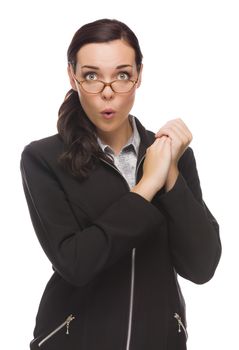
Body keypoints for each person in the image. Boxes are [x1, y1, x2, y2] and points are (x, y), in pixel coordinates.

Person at [20, 18, 221, 350]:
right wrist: (146, 187)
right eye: (92, 76)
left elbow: (201, 266)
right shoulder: (43, 159)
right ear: (73, 76)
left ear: (139, 74)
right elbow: (75, 263)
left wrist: (169, 173)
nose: (108, 92)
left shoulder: (175, 156)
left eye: (122, 75)